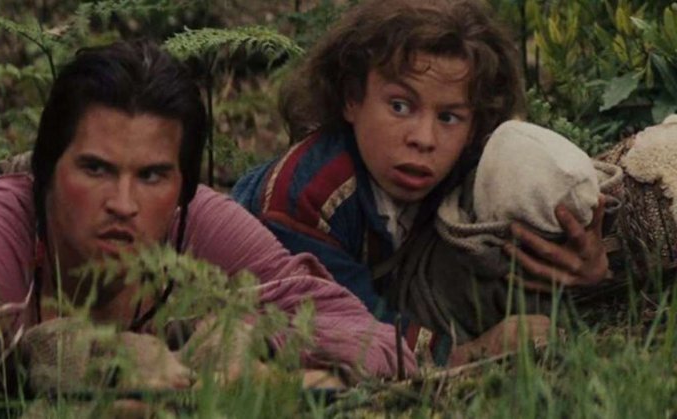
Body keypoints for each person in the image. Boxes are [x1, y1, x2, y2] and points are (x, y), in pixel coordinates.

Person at [0, 39, 414, 417]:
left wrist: (255, 356)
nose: (123, 204)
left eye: (153, 176)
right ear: (46, 168)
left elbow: (380, 349)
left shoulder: (200, 226)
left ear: (183, 187)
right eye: (95, 169)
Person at [232, 0, 610, 364]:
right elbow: (343, 323)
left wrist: (588, 270)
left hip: (399, 288)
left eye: (449, 117)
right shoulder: (310, 194)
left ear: (474, 124)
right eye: (400, 106)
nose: (424, 139)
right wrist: (466, 354)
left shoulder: (464, 161)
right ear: (351, 99)